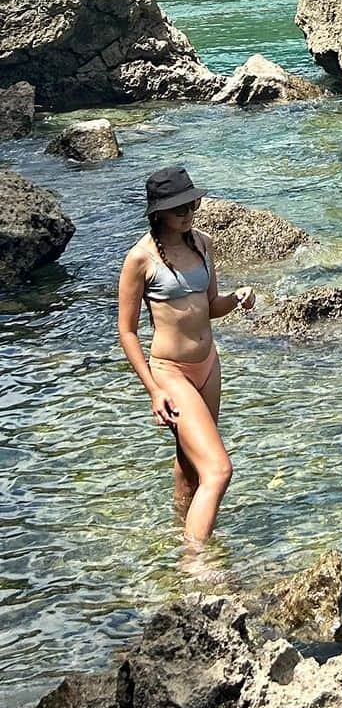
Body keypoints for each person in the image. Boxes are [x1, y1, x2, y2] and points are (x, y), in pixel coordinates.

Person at [117, 165, 256, 548]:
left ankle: (181, 530)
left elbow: (210, 305)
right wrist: (153, 390)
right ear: (157, 211)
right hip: (171, 372)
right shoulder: (140, 259)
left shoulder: (202, 243)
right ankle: (195, 562)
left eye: (191, 205)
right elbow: (127, 331)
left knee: (191, 466)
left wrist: (237, 299)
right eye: (178, 208)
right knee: (218, 469)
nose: (187, 214)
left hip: (208, 366)